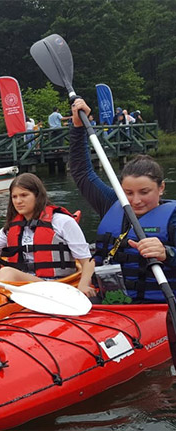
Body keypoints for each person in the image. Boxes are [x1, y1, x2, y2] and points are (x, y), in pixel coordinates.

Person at [71, 99, 176, 303]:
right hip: (111, 304)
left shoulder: (172, 218)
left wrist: (168, 253)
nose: (135, 200)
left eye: (144, 192)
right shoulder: (112, 202)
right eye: (128, 192)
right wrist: (77, 128)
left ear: (161, 187)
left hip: (157, 309)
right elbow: (82, 172)